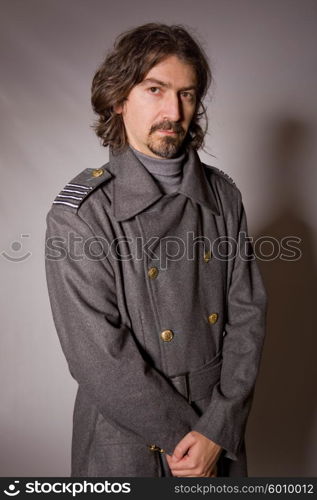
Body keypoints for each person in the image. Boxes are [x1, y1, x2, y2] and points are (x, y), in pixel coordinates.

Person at [45, 23, 267, 478]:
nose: (174, 110)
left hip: (216, 426)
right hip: (127, 437)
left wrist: (218, 430)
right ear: (119, 98)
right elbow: (98, 357)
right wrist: (188, 438)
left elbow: (248, 318)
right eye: (155, 89)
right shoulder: (82, 212)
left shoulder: (223, 198)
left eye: (187, 94)